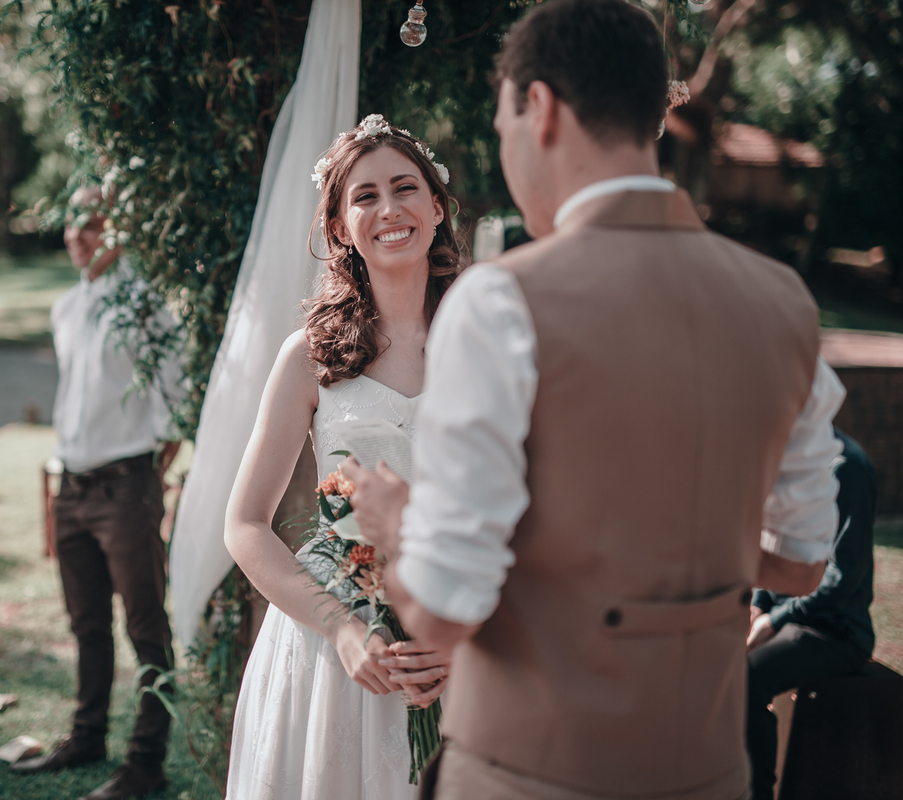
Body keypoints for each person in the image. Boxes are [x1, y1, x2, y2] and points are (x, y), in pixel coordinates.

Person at [343, 2, 845, 798]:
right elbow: (802, 560)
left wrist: (395, 526)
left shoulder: (502, 304)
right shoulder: (786, 305)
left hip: (533, 772)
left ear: (536, 108)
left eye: (503, 122)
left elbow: (443, 612)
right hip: (709, 769)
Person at [224, 117, 458, 800]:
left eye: (405, 188)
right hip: (335, 657)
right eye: (364, 196)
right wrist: (346, 630)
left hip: (462, 636)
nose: (389, 210)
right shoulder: (308, 358)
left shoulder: (487, 342)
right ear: (337, 226)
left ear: (437, 207)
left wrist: (469, 631)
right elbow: (244, 524)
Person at [10, 185, 183, 800]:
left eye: (91, 223)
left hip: (125, 488)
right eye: (70, 223)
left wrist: (145, 475)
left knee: (145, 627)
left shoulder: (144, 304)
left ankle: (146, 763)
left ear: (117, 227)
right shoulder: (65, 307)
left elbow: (177, 400)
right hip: (71, 490)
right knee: (86, 624)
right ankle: (86, 737)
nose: (76, 235)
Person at [746, 429, 876, 800]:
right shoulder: (789, 462)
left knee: (746, 678)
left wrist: (776, 621)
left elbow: (843, 577)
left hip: (835, 631)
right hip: (788, 617)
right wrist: (760, 606)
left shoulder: (847, 467)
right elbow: (773, 546)